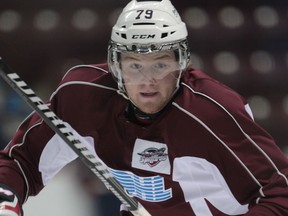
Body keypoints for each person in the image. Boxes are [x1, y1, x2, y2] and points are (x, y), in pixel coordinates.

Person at [0, 0, 288, 215]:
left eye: (161, 64)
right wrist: (6, 200)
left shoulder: (213, 113)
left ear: (182, 63)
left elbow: (279, 193)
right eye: (135, 65)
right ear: (116, 65)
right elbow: (20, 162)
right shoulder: (82, 98)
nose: (148, 80)